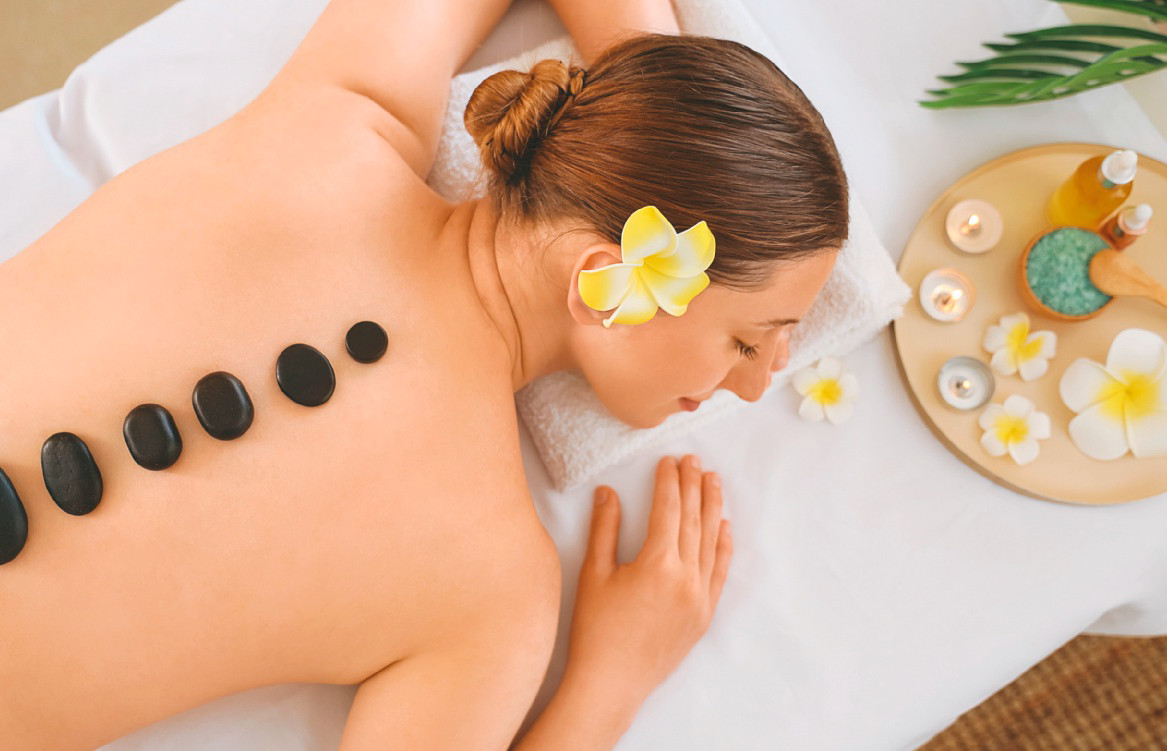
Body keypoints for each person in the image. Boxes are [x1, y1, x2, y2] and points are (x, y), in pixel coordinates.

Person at [0, 0, 847, 748]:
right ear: (606, 280)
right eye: (747, 342)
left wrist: (667, 107)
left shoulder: (335, 126)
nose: (756, 383)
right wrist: (610, 680)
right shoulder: (489, 593)